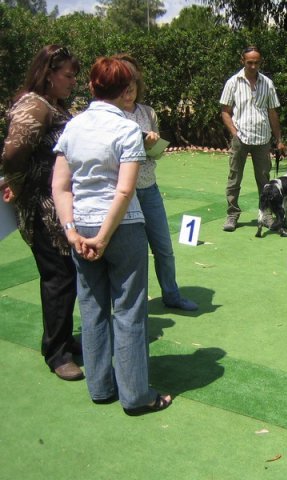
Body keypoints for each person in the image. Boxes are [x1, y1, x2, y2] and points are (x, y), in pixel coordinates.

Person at [51, 56, 171, 415]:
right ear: (125, 91)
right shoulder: (126, 130)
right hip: (121, 227)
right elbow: (124, 191)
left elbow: (60, 186)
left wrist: (73, 233)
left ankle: (101, 386)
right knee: (130, 311)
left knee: (92, 308)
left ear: (91, 87)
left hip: (82, 226)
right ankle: (136, 395)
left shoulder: (73, 127)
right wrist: (103, 237)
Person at [0, 45, 83, 381]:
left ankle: (60, 338)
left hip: (56, 205)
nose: (72, 82)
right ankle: (56, 352)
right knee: (58, 277)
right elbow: (13, 150)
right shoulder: (35, 105)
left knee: (67, 274)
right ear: (48, 73)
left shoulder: (53, 105)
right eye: (67, 75)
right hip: (41, 208)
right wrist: (16, 183)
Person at [114, 53, 197, 312]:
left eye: (133, 86)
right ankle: (131, 304)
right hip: (121, 193)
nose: (129, 91)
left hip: (148, 188)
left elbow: (158, 152)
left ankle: (171, 294)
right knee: (131, 254)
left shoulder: (147, 113)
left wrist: (152, 145)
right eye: (123, 86)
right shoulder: (110, 115)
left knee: (163, 247)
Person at [219, 45, 286, 232]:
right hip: (240, 138)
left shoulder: (268, 83)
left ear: (260, 62)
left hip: (263, 139)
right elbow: (225, 111)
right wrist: (234, 132)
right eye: (250, 62)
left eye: (257, 62)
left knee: (265, 182)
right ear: (243, 61)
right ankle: (232, 214)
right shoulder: (233, 82)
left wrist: (278, 139)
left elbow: (273, 113)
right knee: (234, 178)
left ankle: (265, 215)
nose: (253, 66)